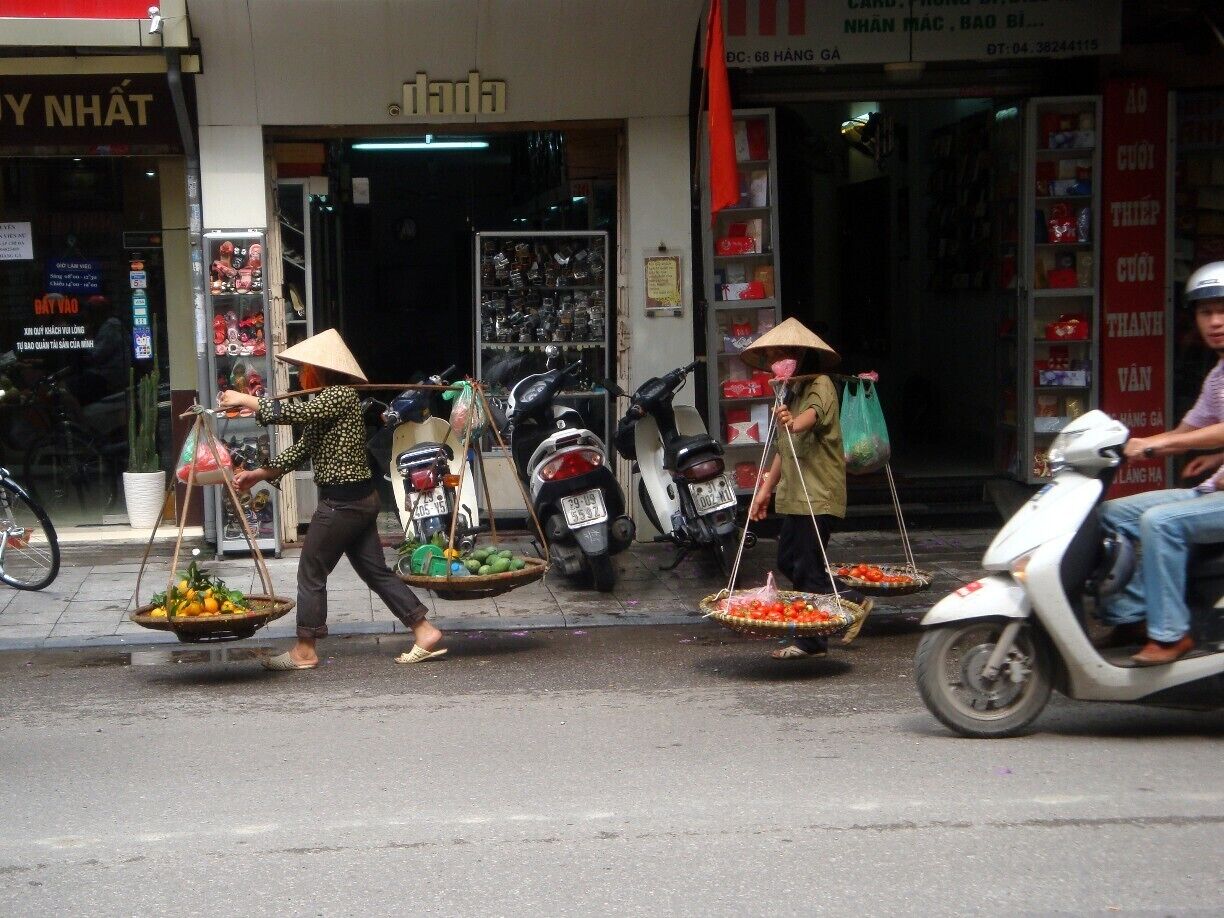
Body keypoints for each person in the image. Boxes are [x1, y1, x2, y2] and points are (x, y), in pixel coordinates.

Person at [217, 328, 445, 671]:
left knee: (311, 571)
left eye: (305, 369)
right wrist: (259, 474)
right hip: (358, 501)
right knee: (375, 572)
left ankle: (305, 650)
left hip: (343, 504)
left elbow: (289, 415)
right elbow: (303, 448)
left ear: (318, 371)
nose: (301, 376)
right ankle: (424, 630)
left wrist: (244, 399)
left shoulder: (338, 396)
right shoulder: (326, 402)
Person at [1098, 262, 1224, 665]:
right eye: (1206, 312)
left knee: (1161, 522)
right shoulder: (1218, 375)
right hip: (1213, 488)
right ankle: (1133, 616)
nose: (1215, 321)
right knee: (1112, 514)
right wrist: (1130, 443)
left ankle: (1171, 635)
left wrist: (1158, 444)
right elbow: (1186, 430)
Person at [743, 318, 871, 660]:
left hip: (818, 494)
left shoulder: (821, 385)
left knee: (806, 566)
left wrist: (790, 419)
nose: (779, 358)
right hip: (796, 495)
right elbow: (784, 451)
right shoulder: (792, 391)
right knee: (790, 560)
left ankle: (811, 641)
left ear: (801, 356)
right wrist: (764, 490)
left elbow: (805, 423)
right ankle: (849, 600)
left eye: (785, 352)